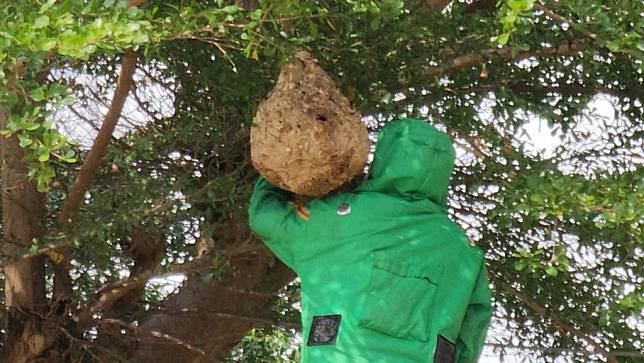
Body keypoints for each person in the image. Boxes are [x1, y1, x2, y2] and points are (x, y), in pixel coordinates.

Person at [249, 118, 492, 363]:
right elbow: (471, 333)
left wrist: (279, 160)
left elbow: (266, 218)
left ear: (384, 159)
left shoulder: (340, 218)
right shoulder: (463, 253)